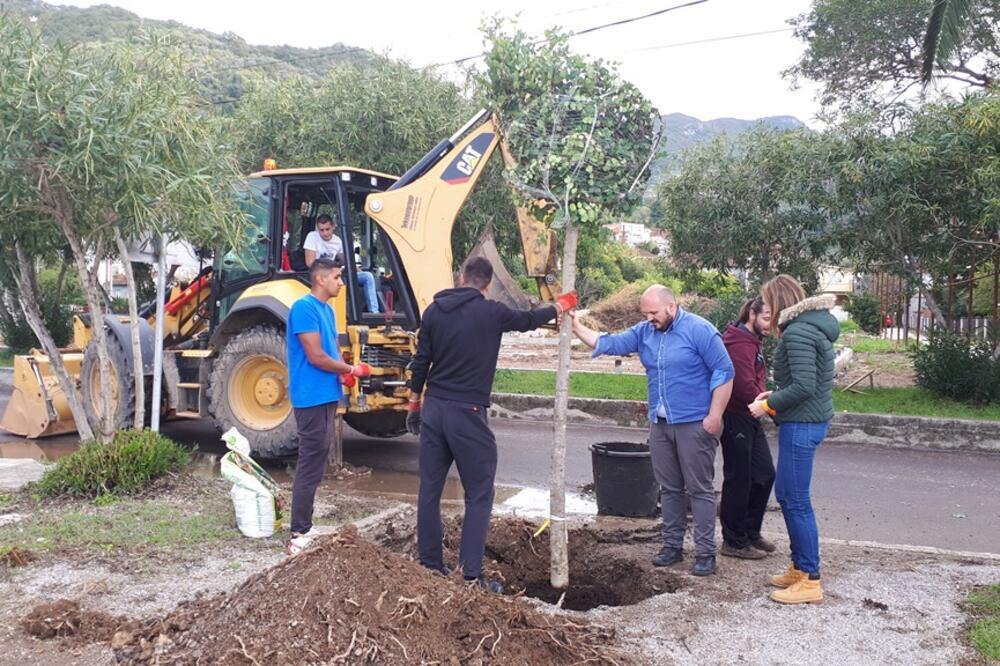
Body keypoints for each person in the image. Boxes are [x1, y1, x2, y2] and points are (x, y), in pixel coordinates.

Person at [407, 257, 576, 591]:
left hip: (434, 408)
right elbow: (529, 319)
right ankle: (471, 576)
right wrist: (561, 305)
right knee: (479, 493)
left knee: (429, 489)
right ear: (487, 285)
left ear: (461, 278)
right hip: (467, 413)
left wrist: (414, 403)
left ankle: (430, 565)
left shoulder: (434, 311)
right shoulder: (492, 312)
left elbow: (421, 360)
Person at [572, 285, 734, 576]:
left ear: (671, 307)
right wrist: (575, 326)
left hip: (694, 423)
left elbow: (724, 372)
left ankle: (705, 552)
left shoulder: (700, 330)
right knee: (669, 488)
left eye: (654, 313)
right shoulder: (645, 331)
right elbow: (609, 343)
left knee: (699, 489)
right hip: (660, 424)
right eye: (645, 313)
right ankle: (672, 546)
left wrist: (715, 415)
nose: (649, 318)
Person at [748, 275, 838, 604]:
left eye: (768, 301)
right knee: (787, 495)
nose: (766, 309)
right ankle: (800, 567)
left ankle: (810, 579)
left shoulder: (798, 332)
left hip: (802, 425)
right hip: (802, 421)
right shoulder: (807, 328)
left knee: (796, 500)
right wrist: (774, 395)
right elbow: (804, 382)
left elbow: (804, 387)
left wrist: (767, 405)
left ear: (779, 301)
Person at [286, 256, 371, 555]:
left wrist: (343, 372)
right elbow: (315, 356)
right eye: (336, 277)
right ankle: (298, 531)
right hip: (309, 395)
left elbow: (332, 349)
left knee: (319, 455)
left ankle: (305, 526)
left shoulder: (328, 309)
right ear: (320, 279)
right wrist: (351, 370)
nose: (341, 282)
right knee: (310, 459)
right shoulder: (303, 308)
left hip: (326, 394)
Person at [719, 297, 776, 560]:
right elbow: (743, 386)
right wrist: (770, 404)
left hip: (752, 414)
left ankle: (750, 532)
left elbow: (756, 380)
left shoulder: (753, 341)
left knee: (764, 474)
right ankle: (733, 541)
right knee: (739, 478)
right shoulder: (738, 343)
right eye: (766, 318)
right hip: (736, 415)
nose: (769, 324)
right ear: (751, 314)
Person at [303, 214, 379, 313]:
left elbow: (346, 261)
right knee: (339, 283)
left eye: (327, 229)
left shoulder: (337, 241)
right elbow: (310, 263)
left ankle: (374, 312)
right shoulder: (312, 237)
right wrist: (332, 270)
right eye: (321, 230)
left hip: (336, 273)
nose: (325, 233)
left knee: (367, 276)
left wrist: (355, 268)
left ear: (333, 227)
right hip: (320, 275)